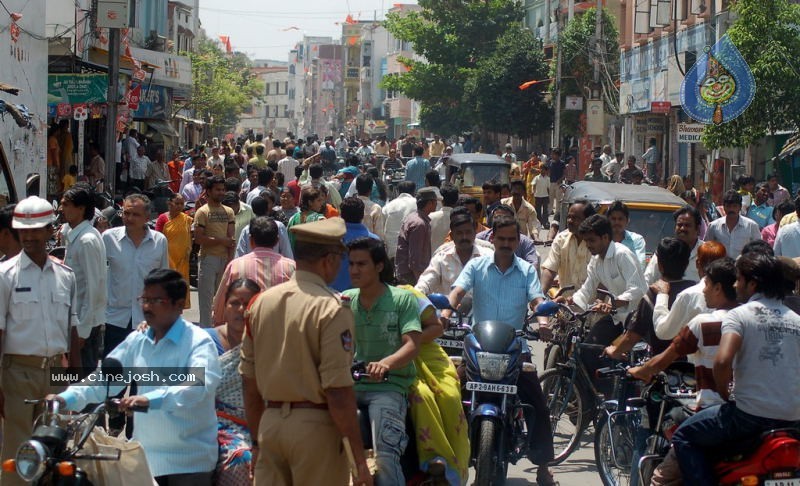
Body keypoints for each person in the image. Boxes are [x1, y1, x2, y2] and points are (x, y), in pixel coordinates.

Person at [53, 269, 221, 485]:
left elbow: (196, 386)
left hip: (189, 462)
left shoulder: (198, 342)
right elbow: (104, 380)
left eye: (156, 300)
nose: (146, 307)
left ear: (180, 305)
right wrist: (65, 398)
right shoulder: (137, 340)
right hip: (145, 461)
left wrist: (150, 400)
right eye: (145, 299)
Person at [240, 218, 372, 486]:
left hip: (270, 425)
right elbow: (338, 391)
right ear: (328, 260)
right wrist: (359, 461)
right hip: (316, 431)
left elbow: (249, 384)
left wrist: (256, 441)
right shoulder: (332, 308)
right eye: (339, 257)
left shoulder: (260, 303)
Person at [445, 214, 557, 485]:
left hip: (515, 347)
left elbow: (537, 300)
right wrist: (445, 312)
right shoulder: (476, 265)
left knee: (537, 404)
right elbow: (457, 292)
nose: (506, 243)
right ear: (492, 238)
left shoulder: (527, 270)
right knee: (448, 396)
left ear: (518, 241)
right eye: (502, 238)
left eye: (511, 239)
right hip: (478, 346)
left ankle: (543, 465)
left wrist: (542, 321)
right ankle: (442, 460)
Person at [671, 253, 800, 486]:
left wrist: (725, 395)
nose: (734, 284)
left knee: (684, 436)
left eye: (739, 279)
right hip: (793, 421)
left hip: (749, 418)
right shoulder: (796, 320)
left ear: (752, 284)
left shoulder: (739, 316)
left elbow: (721, 362)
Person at [0, 197, 81, 486]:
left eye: (37, 230)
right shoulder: (5, 275)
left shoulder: (65, 275)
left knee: (55, 449)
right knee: (18, 451)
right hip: (17, 373)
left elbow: (72, 330)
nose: (30, 236)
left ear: (50, 231)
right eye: (24, 230)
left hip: (56, 374)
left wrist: (74, 378)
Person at [343, 237, 422, 486]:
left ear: (379, 267)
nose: (354, 270)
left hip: (388, 389)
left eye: (362, 264)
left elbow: (412, 344)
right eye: (351, 264)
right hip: (346, 389)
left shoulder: (402, 300)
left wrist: (386, 364)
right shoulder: (344, 300)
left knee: (386, 456)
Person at [628, 257, 737, 409]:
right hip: (747, 407)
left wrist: (640, 370)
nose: (704, 290)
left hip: (712, 407)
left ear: (718, 288)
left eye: (706, 285)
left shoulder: (702, 323)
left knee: (674, 427)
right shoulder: (750, 320)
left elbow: (663, 357)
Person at [604, 237, 695, 360]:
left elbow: (632, 337)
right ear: (687, 263)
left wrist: (615, 351)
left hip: (661, 367)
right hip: (695, 365)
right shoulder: (696, 290)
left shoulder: (653, 294)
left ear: (660, 266)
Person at [567, 214, 646, 350]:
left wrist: (612, 304)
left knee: (604, 355)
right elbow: (588, 288)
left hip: (637, 319)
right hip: (617, 318)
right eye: (586, 241)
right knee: (588, 347)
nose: (588, 245)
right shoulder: (595, 260)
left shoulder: (622, 254)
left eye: (591, 240)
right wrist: (570, 301)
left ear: (605, 237)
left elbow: (637, 289)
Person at [103, 194, 169, 355]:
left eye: (135, 214)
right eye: (126, 213)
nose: (129, 218)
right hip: (115, 319)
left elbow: (163, 282)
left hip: (147, 321)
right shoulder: (108, 238)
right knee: (113, 376)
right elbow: (98, 276)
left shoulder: (159, 241)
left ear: (147, 217)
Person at [212, 217, 295, 326]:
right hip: (281, 334)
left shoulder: (235, 266)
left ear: (251, 240)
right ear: (277, 240)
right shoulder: (291, 267)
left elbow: (219, 309)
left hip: (243, 334)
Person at [61, 184, 107, 374]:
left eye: (66, 204)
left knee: (83, 384)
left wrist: (83, 331)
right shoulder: (76, 235)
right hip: (76, 322)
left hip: (84, 326)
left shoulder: (86, 240)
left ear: (81, 209)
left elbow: (92, 288)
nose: (61, 208)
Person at [651, 240, 727, 341]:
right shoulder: (740, 295)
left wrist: (662, 295)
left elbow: (663, 331)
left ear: (697, 264)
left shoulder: (689, 296)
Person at [416, 208, 493, 296]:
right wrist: (416, 295)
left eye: (468, 232)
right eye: (459, 233)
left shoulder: (488, 257)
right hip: (449, 309)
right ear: (452, 236)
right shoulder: (441, 258)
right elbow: (426, 282)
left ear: (475, 233)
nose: (464, 237)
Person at [194, 176, 235, 328]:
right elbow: (198, 238)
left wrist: (230, 261)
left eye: (223, 189)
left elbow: (231, 239)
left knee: (222, 299)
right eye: (218, 189)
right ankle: (205, 331)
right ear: (209, 191)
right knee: (206, 300)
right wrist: (220, 241)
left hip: (224, 259)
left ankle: (219, 332)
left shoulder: (229, 211)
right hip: (208, 259)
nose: (221, 192)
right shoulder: (202, 212)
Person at [539, 199, 594, 295]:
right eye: (569, 217)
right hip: (565, 305)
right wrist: (539, 295)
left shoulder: (597, 243)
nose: (570, 221)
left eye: (575, 218)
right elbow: (550, 269)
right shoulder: (561, 239)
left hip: (593, 306)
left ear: (588, 220)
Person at [644, 206, 704, 284]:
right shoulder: (665, 250)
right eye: (679, 225)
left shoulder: (705, 252)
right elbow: (647, 280)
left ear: (698, 229)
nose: (682, 228)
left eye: (687, 225)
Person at [331, 197, 379, 292]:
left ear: (341, 215)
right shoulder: (375, 241)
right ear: (362, 215)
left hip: (333, 296)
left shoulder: (330, 239)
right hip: (364, 298)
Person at [155, 193, 193, 307]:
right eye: (177, 203)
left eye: (182, 203)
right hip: (167, 258)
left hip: (182, 259)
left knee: (180, 287)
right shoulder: (163, 218)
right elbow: (157, 237)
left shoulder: (187, 219)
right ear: (169, 203)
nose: (180, 206)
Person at [396, 187, 438, 285]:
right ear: (430, 203)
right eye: (435, 202)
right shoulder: (419, 224)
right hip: (411, 276)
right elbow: (415, 259)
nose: (437, 204)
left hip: (408, 273)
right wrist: (420, 282)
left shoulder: (414, 218)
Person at [705, 190, 761, 259]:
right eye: (728, 206)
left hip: (743, 268)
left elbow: (758, 250)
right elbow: (706, 249)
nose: (731, 209)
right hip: (719, 267)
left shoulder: (751, 226)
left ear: (740, 207)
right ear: (724, 207)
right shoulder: (713, 226)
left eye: (734, 206)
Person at [382, 181, 417, 261]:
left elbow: (382, 229)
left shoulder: (388, 206)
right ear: (414, 191)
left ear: (397, 191)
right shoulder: (418, 204)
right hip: (413, 251)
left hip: (392, 252)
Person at [607, 200, 646, 268]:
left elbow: (640, 266)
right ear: (607, 220)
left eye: (620, 219)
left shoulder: (637, 240)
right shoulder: (602, 240)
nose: (617, 222)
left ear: (627, 220)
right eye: (613, 219)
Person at [429, 183, 458, 252]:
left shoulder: (430, 218)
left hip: (434, 259)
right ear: (457, 200)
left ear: (442, 200)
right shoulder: (460, 218)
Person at [547, 148, 565, 218]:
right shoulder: (550, 162)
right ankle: (549, 212)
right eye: (552, 154)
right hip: (551, 183)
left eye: (553, 154)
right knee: (550, 198)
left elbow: (564, 174)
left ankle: (557, 213)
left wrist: (560, 179)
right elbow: (548, 172)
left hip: (558, 183)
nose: (552, 155)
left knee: (558, 199)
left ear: (558, 155)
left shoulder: (562, 163)